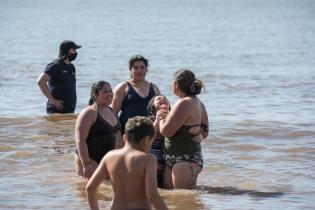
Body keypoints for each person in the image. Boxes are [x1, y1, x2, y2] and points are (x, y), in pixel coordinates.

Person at [86, 116, 168, 210]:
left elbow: (90, 187)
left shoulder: (110, 156)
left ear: (124, 137)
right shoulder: (148, 159)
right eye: (151, 142)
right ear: (146, 140)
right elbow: (152, 195)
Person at [158, 69, 209, 189]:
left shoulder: (184, 103)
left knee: (184, 200)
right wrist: (193, 134)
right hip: (183, 158)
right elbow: (205, 132)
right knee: (177, 200)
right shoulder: (198, 103)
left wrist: (160, 118)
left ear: (175, 85)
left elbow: (166, 131)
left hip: (183, 161)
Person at [75, 81, 122, 180]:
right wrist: (86, 164)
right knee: (91, 191)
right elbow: (80, 140)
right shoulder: (89, 113)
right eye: (105, 91)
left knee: (107, 191)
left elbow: (118, 139)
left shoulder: (112, 111)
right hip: (89, 159)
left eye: (110, 91)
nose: (109, 94)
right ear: (95, 95)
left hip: (106, 160)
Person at [111, 55, 160, 133]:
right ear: (130, 70)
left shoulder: (154, 88)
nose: (139, 70)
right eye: (135, 68)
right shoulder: (123, 87)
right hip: (128, 133)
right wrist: (116, 135)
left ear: (146, 70)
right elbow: (113, 114)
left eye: (142, 67)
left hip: (149, 133)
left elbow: (159, 112)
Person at [37, 40, 81, 114]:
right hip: (57, 109)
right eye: (73, 50)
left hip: (70, 110)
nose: (75, 52)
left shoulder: (71, 67)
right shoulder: (55, 65)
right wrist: (51, 100)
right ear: (67, 51)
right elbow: (40, 81)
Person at [146, 94, 170, 188]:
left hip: (167, 166)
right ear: (152, 105)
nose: (162, 99)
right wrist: (157, 120)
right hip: (152, 167)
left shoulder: (172, 119)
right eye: (158, 99)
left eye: (165, 98)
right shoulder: (149, 121)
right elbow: (148, 140)